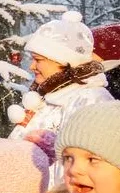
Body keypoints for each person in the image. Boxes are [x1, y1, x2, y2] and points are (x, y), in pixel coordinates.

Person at [9, 12, 113, 180]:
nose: (32, 66)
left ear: (65, 61)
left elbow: (83, 170)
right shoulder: (48, 98)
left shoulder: (91, 100)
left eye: (38, 59)